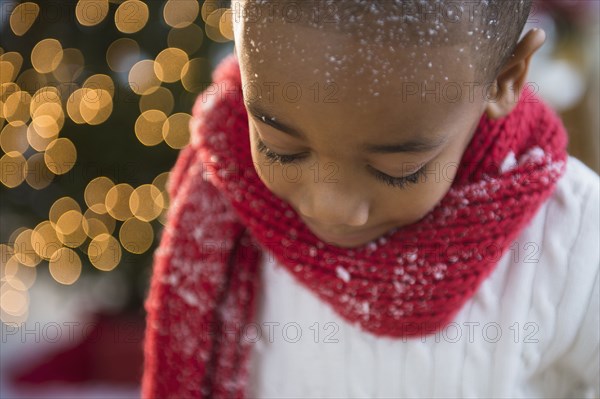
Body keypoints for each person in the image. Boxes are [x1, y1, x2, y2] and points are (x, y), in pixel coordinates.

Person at [141, 1, 600, 398]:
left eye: (396, 169)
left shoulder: (575, 237)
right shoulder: (222, 187)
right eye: (280, 148)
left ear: (505, 77)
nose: (329, 206)